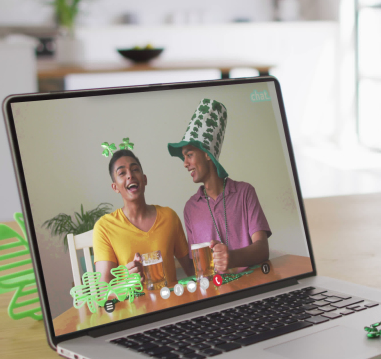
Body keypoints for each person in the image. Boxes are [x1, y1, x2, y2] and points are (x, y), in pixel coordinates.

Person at [167, 99, 271, 274]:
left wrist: (231, 258)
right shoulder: (190, 209)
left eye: (189, 155)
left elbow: (262, 248)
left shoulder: (245, 193)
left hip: (253, 287)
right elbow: (195, 267)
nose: (185, 163)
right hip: (216, 292)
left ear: (208, 155)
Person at [92, 149, 194, 289]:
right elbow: (103, 291)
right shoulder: (104, 227)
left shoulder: (169, 217)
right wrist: (124, 284)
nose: (130, 175)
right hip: (133, 310)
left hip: (172, 305)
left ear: (145, 179)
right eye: (122, 173)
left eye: (135, 169)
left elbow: (192, 270)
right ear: (115, 187)